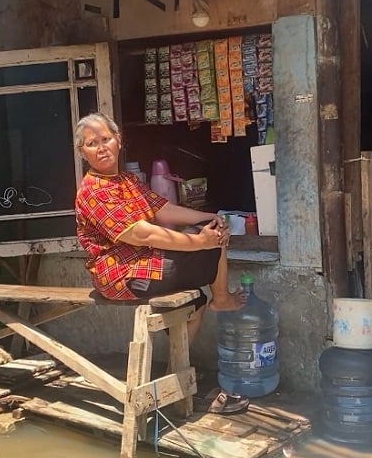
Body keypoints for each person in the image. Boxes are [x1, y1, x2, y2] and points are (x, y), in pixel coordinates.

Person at [74, 112, 246, 340]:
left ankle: (175, 371)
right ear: (82, 152)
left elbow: (163, 210)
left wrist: (208, 216)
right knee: (212, 245)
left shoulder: (128, 180)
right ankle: (222, 299)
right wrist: (198, 242)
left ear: (119, 139)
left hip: (145, 262)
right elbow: (141, 235)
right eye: (92, 144)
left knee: (196, 300)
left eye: (106, 139)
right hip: (123, 276)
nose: (102, 147)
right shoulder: (92, 190)